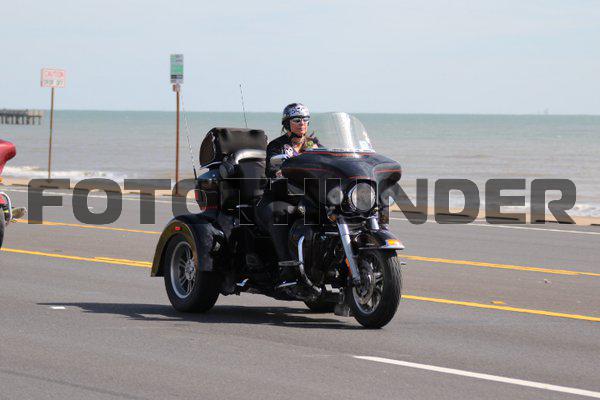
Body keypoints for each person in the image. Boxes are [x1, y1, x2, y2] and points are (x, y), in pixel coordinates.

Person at [256, 103, 320, 288]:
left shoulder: (313, 144)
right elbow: (272, 169)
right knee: (280, 215)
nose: (302, 123)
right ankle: (287, 269)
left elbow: (328, 161)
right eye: (297, 120)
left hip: (306, 197)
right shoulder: (277, 146)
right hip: (278, 196)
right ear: (287, 123)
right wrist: (280, 170)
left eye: (305, 119)